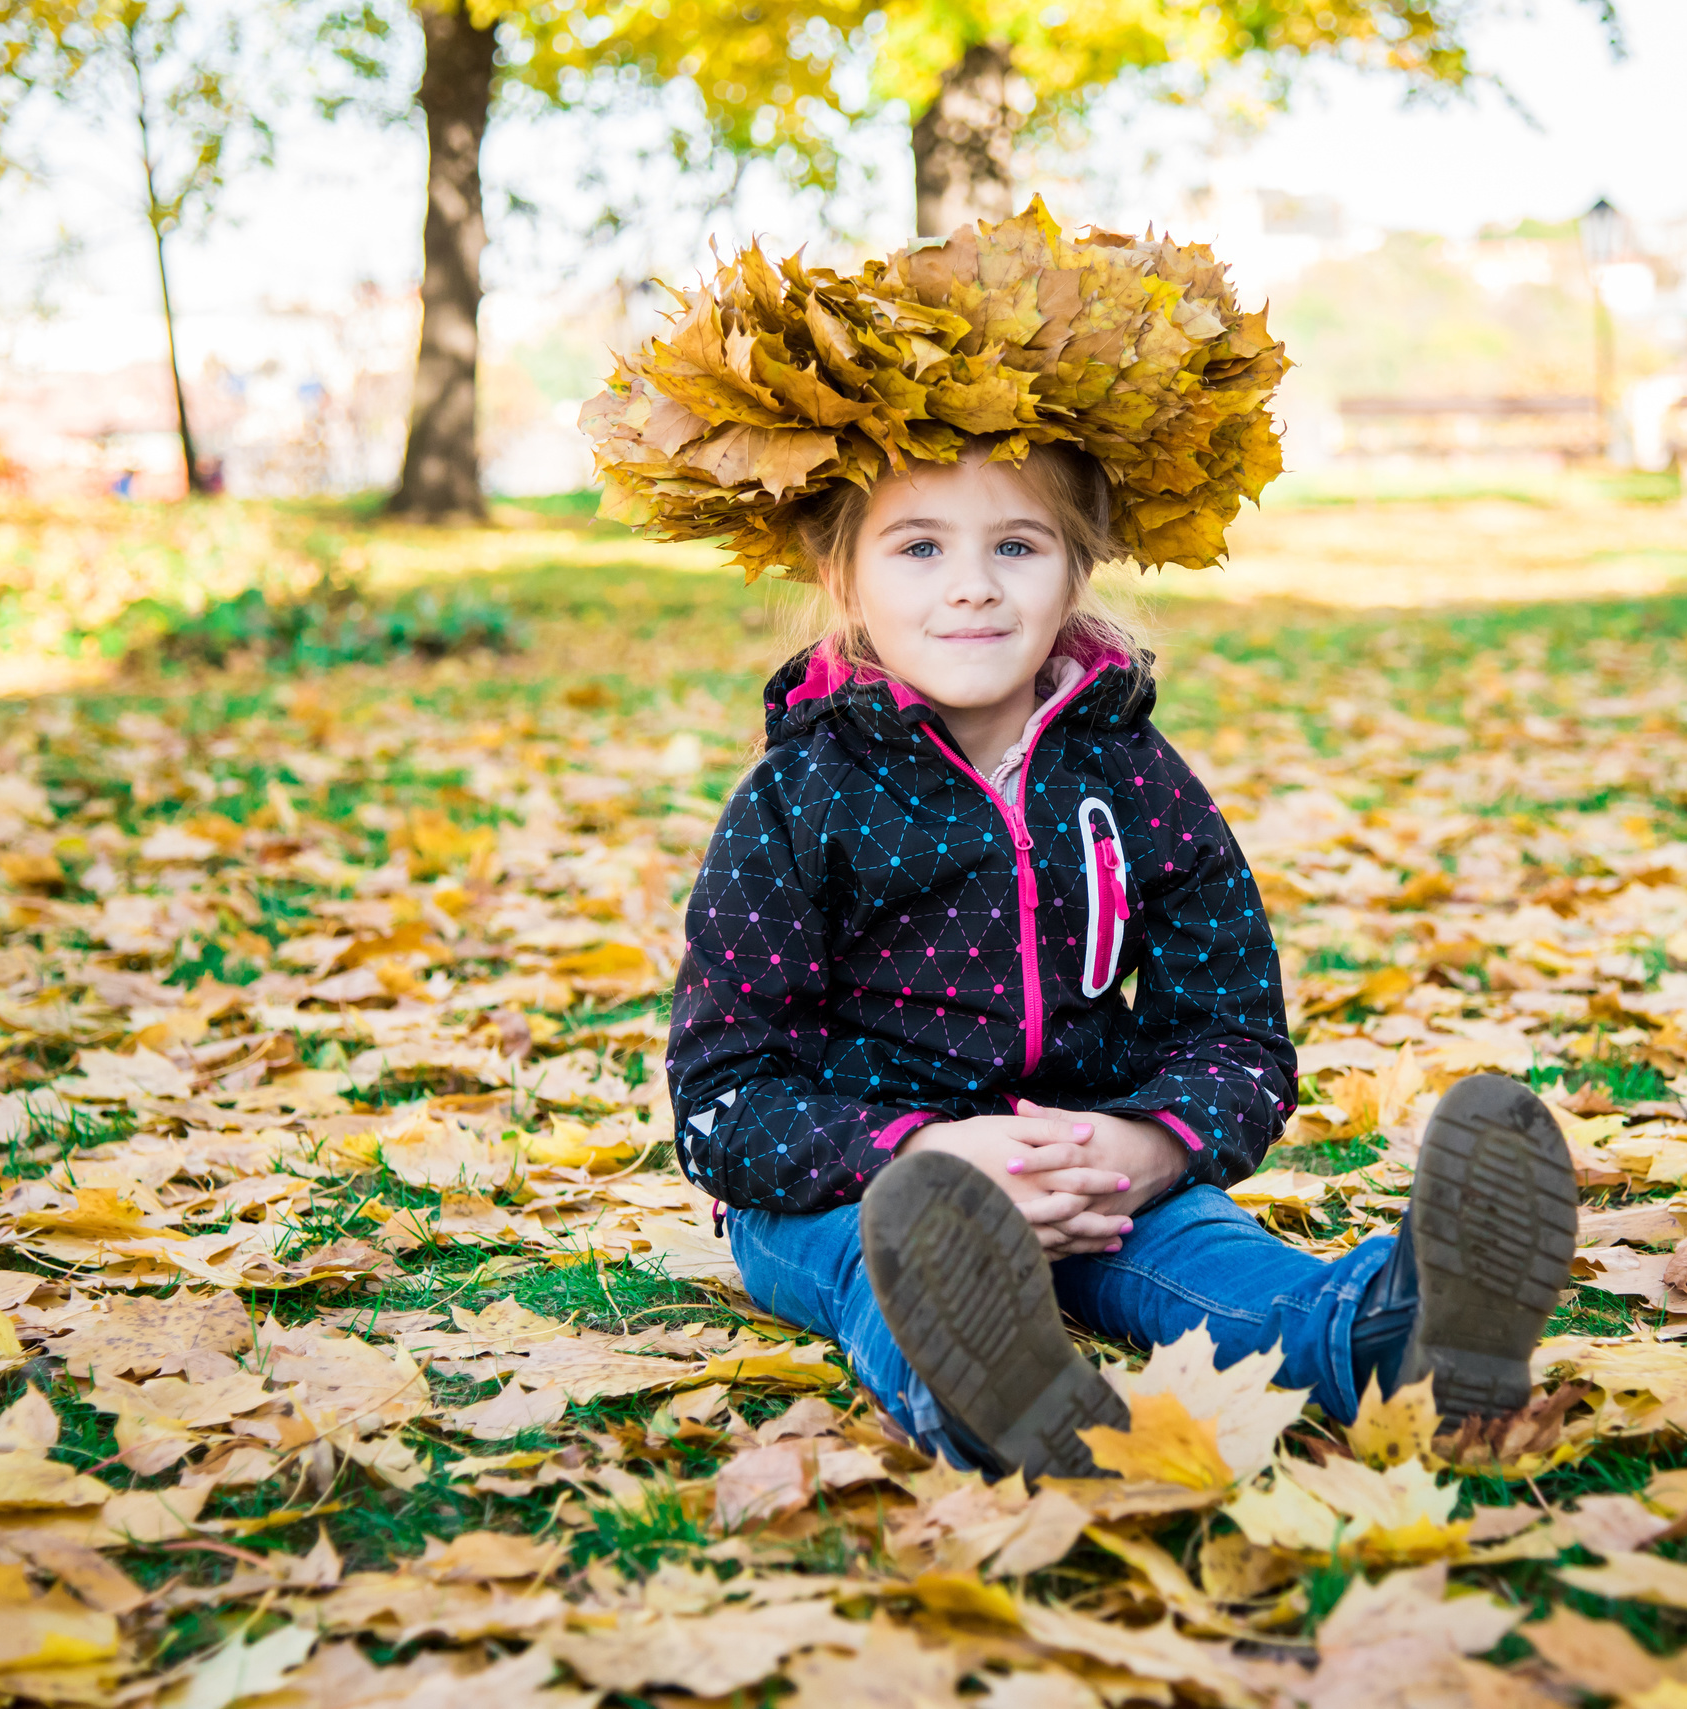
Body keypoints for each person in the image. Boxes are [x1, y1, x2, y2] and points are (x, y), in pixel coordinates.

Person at [585, 203, 1579, 1479]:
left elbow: (1235, 1032)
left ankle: (1400, 1337)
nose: (971, 584)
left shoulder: (1136, 777)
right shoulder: (800, 800)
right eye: (919, 546)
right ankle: (993, 1388)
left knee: (1217, 1263)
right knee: (889, 1260)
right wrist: (926, 1153)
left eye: (1017, 545)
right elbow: (725, 1096)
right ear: (845, 577)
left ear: (1075, 568)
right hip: (846, 1190)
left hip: (1088, 1158)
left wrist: (1147, 1143)